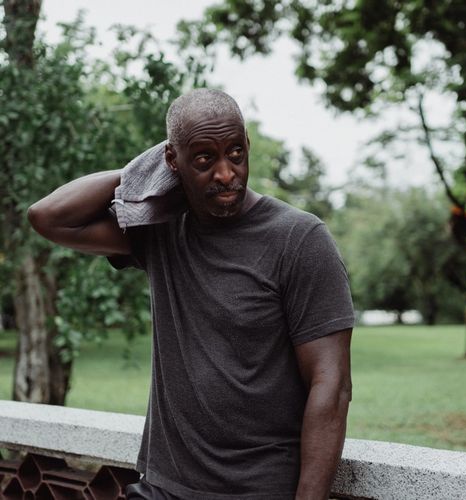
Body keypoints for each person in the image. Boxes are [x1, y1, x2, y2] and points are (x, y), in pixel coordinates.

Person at [28, 89, 354, 500]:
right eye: (204, 158)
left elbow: (332, 384)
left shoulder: (300, 240)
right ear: (172, 161)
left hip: (255, 491)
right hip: (163, 487)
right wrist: (145, 171)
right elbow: (49, 217)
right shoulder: (161, 230)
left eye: (236, 153)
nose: (225, 173)